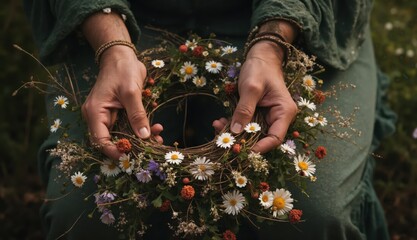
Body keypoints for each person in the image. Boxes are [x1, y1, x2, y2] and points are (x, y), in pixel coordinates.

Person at [24, 0, 396, 239]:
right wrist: (112, 48)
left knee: (312, 217)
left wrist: (272, 44)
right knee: (88, 218)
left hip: (295, 18)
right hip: (119, 19)